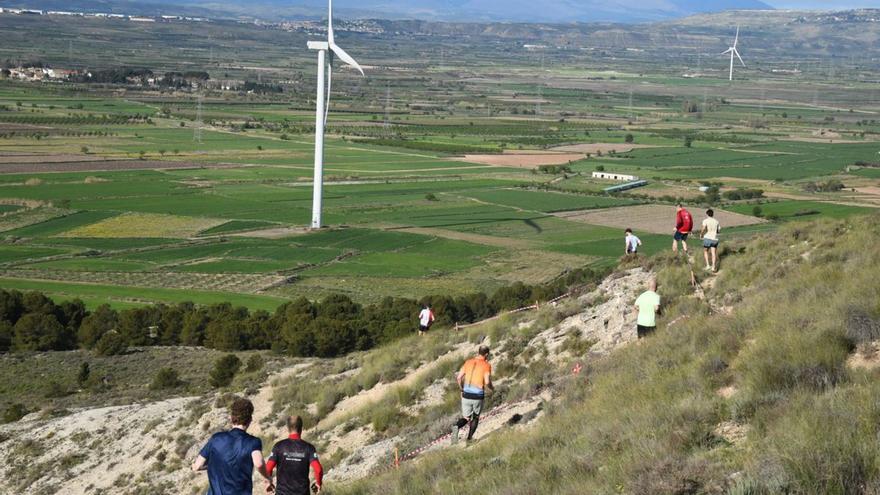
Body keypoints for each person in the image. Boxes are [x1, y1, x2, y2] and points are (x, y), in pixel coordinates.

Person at [192, 397, 273, 495]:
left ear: (231, 418)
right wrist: (267, 478)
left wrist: (214, 465)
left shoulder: (216, 438)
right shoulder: (253, 442)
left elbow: (197, 466)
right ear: (250, 420)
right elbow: (259, 463)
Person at [266, 416, 324, 495]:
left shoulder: (278, 446)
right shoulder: (309, 448)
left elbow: (268, 468)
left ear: (288, 428)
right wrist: (318, 483)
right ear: (301, 428)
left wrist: (269, 482)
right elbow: (318, 469)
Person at [452, 345, 494, 445]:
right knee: (475, 417)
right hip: (477, 396)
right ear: (486, 354)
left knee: (466, 418)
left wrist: (461, 389)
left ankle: (456, 426)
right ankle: (469, 440)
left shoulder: (468, 362)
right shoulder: (486, 365)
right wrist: (492, 388)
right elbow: (487, 382)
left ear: (478, 352)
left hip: (466, 394)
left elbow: (458, 378)